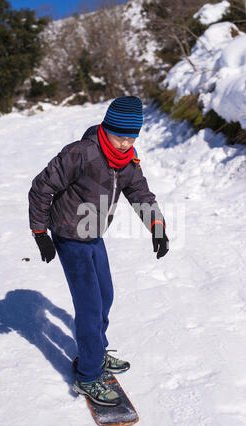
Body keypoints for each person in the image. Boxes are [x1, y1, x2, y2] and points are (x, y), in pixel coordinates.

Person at [28, 96, 169, 406]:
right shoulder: (82, 154)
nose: (125, 143)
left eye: (132, 137)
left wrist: (158, 228)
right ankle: (88, 376)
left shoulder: (128, 159)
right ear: (107, 128)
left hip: (93, 233)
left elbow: (140, 192)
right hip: (68, 236)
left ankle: (96, 350)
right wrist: (40, 232)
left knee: (106, 295)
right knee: (90, 306)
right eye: (121, 135)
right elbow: (41, 187)